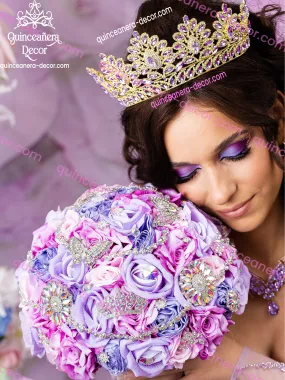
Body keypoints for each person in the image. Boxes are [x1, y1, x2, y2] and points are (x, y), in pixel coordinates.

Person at [91, 0, 285, 378]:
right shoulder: (162, 298)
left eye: (235, 152)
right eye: (187, 173)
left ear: (277, 117)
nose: (220, 191)